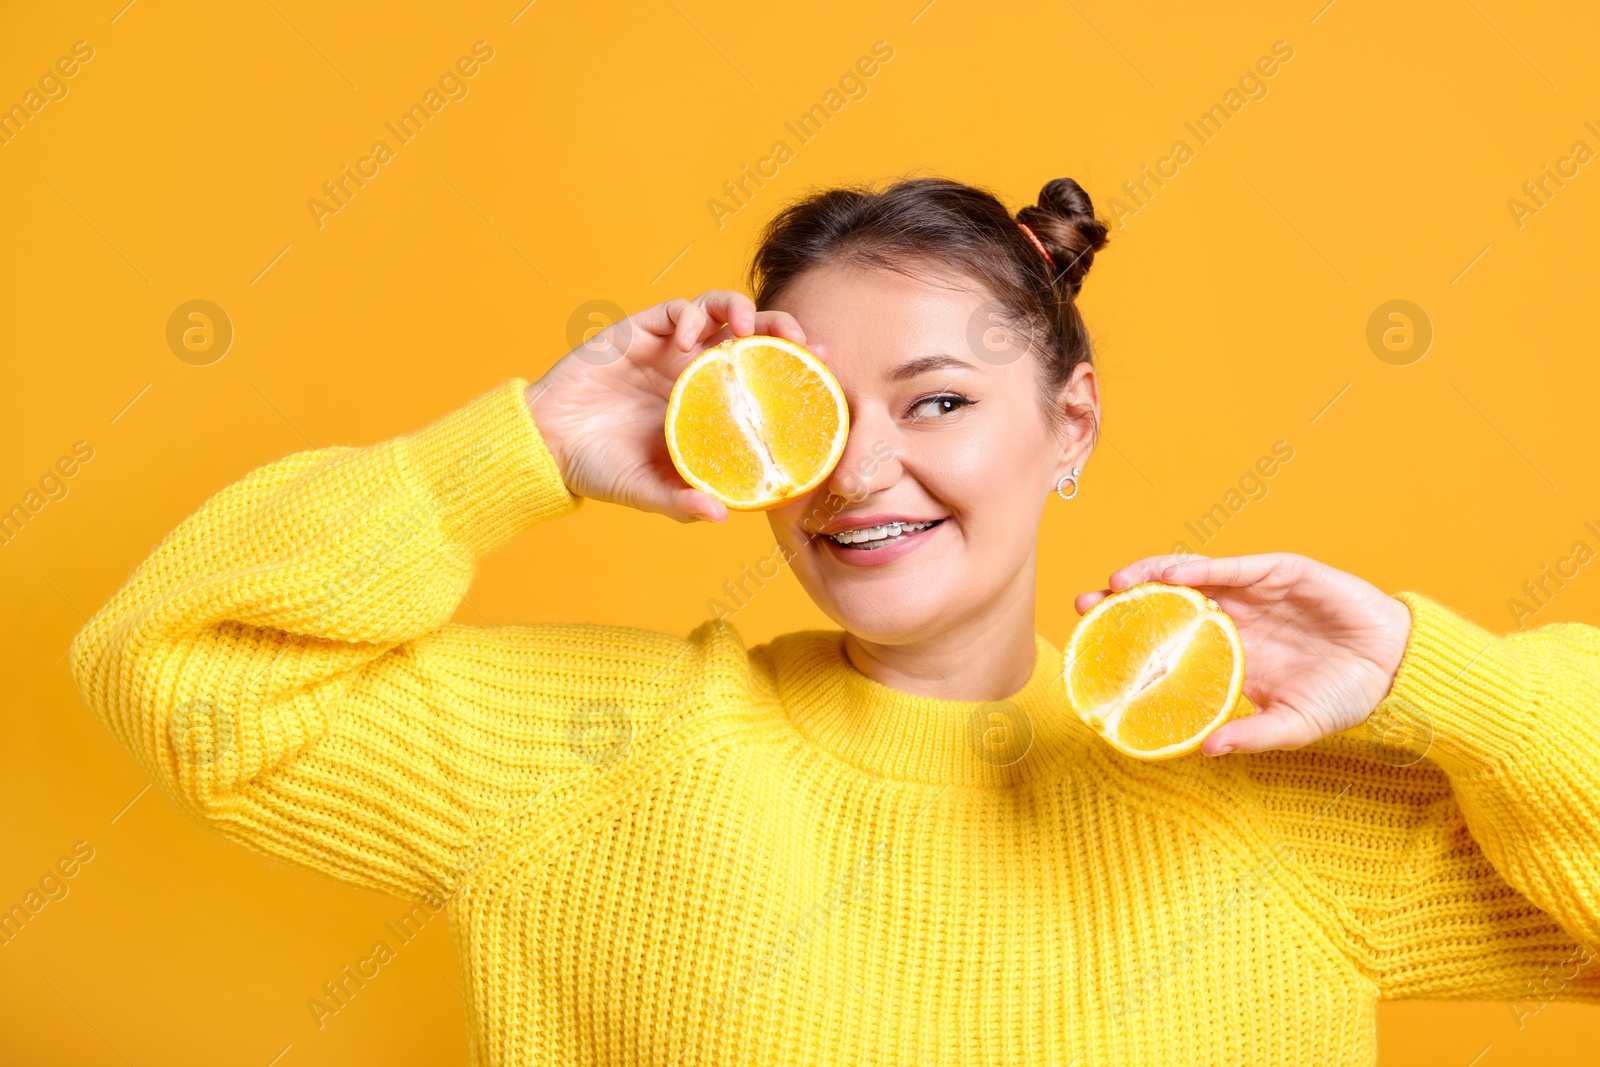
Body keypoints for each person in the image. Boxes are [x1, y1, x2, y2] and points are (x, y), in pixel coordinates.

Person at [71, 176, 1599, 1066]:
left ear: (1069, 426)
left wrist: (1435, 680)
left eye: (937, 399)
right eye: (808, 413)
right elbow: (177, 663)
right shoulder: (601, 760)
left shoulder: (1263, 794)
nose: (862, 469)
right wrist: (520, 449)